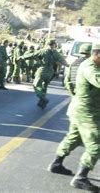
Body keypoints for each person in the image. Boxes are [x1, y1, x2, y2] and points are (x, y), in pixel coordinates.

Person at [48, 42, 100, 191]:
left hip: (80, 110)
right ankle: (81, 178)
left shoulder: (93, 65)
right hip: (87, 113)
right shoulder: (90, 67)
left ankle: (56, 164)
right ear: (97, 54)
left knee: (73, 138)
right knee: (96, 144)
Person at [22, 39, 67, 109]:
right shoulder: (56, 53)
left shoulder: (43, 51)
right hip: (50, 72)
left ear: (47, 44)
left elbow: (33, 55)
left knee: (36, 86)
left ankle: (43, 98)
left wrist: (22, 57)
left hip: (42, 70)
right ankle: (42, 103)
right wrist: (67, 65)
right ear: (54, 44)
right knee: (44, 87)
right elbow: (62, 60)